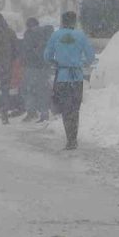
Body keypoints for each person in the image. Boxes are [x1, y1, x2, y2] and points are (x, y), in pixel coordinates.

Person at [44, 11, 95, 150]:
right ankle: (74, 138)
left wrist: (55, 61)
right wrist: (80, 62)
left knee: (66, 108)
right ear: (74, 21)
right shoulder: (81, 35)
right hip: (77, 77)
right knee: (75, 108)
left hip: (62, 76)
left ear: (62, 22)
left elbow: (47, 55)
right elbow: (90, 56)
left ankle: (70, 139)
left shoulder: (56, 35)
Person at [19, 17, 54, 122]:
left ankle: (31, 112)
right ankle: (44, 113)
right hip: (44, 67)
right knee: (43, 90)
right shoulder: (46, 33)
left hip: (32, 67)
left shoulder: (29, 34)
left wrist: (24, 61)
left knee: (29, 90)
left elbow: (26, 50)